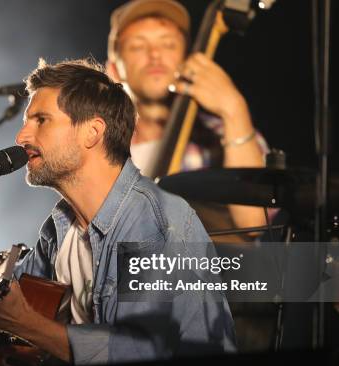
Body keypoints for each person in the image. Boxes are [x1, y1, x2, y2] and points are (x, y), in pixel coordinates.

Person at [0, 59, 236, 366]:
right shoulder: (60, 228)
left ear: (92, 132)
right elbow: (16, 308)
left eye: (41, 120)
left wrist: (24, 323)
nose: (22, 136)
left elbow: (139, 356)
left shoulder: (152, 220)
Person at [106, 0, 269, 230]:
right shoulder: (98, 147)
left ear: (186, 59)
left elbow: (256, 222)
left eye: (169, 44)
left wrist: (234, 109)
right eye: (137, 46)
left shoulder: (224, 132)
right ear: (113, 70)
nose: (155, 55)